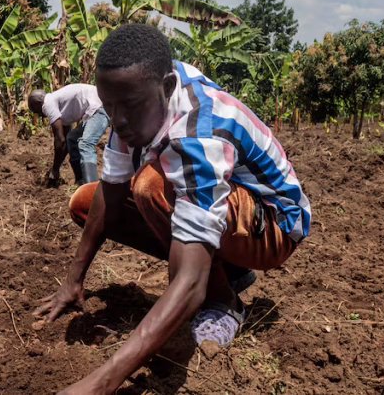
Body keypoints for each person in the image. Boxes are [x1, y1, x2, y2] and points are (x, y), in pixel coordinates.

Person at [34, 23, 312, 395]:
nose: (116, 121)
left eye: (127, 108)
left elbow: (190, 282)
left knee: (151, 186)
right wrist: (73, 280)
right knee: (86, 201)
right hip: (226, 208)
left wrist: (100, 384)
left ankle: (225, 303)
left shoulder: (200, 130)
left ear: (165, 88)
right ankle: (228, 268)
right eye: (109, 105)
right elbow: (110, 193)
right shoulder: (135, 93)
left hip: (275, 225)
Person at [28, 84, 110, 185]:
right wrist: (55, 169)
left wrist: (55, 169)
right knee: (72, 139)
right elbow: (65, 143)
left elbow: (59, 141)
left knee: (85, 144)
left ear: (37, 104)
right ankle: (81, 181)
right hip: (94, 109)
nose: (40, 115)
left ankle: (91, 187)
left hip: (100, 107)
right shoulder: (57, 104)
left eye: (36, 111)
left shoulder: (47, 104)